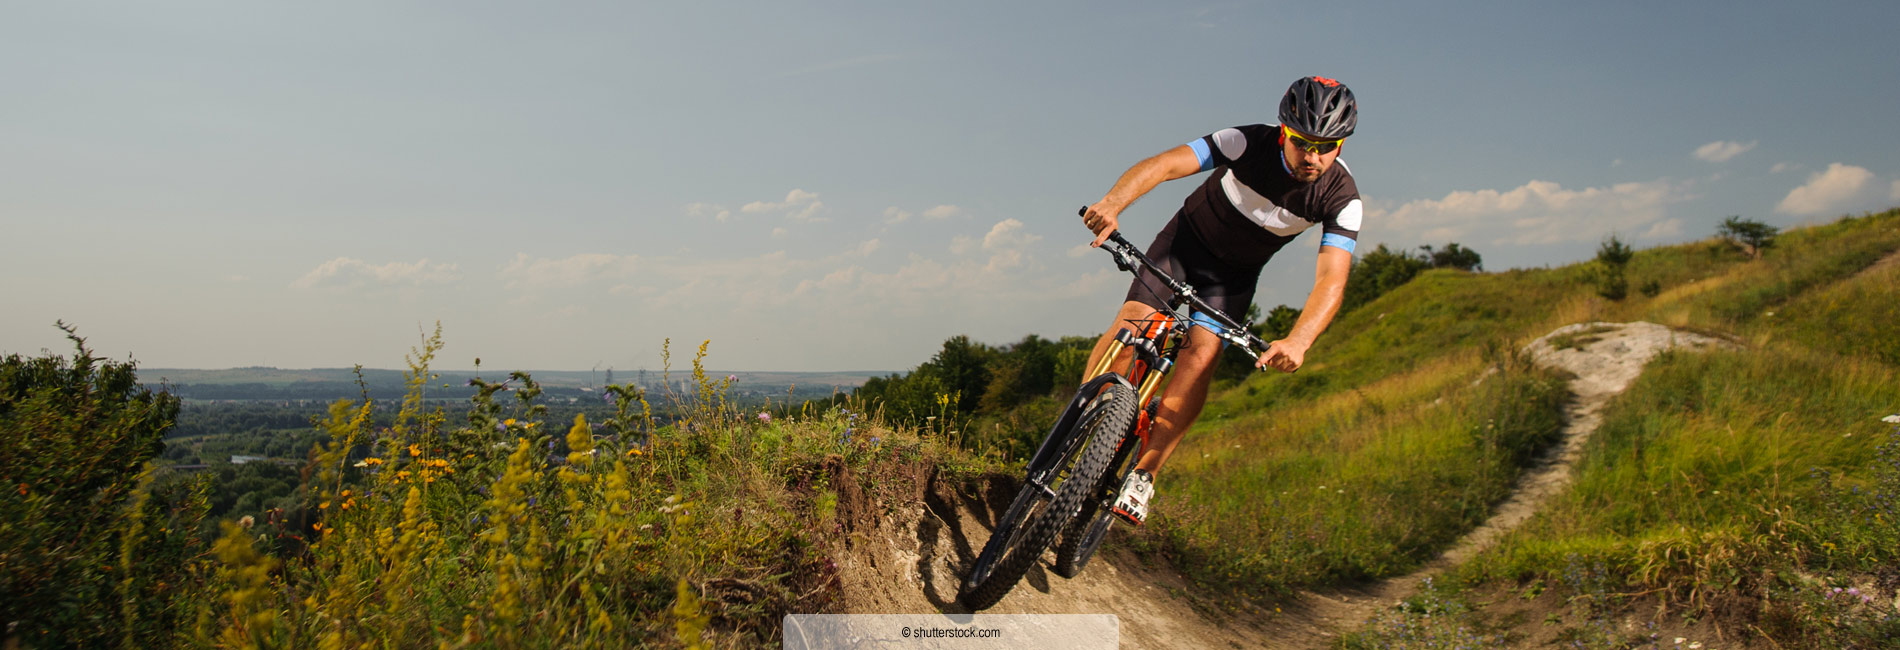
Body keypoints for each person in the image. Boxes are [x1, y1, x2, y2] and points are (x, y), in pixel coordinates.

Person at [1077, 76, 1362, 525]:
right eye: (1303, 142)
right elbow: (1166, 164)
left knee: (1203, 355)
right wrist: (1114, 203)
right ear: (1284, 131)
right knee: (1132, 324)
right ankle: (1086, 422)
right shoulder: (1245, 141)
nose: (1313, 157)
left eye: (1327, 146)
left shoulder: (1342, 199)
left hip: (1231, 279)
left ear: (1340, 146)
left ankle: (1144, 475)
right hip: (1182, 247)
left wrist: (1299, 340)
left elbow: (1331, 279)